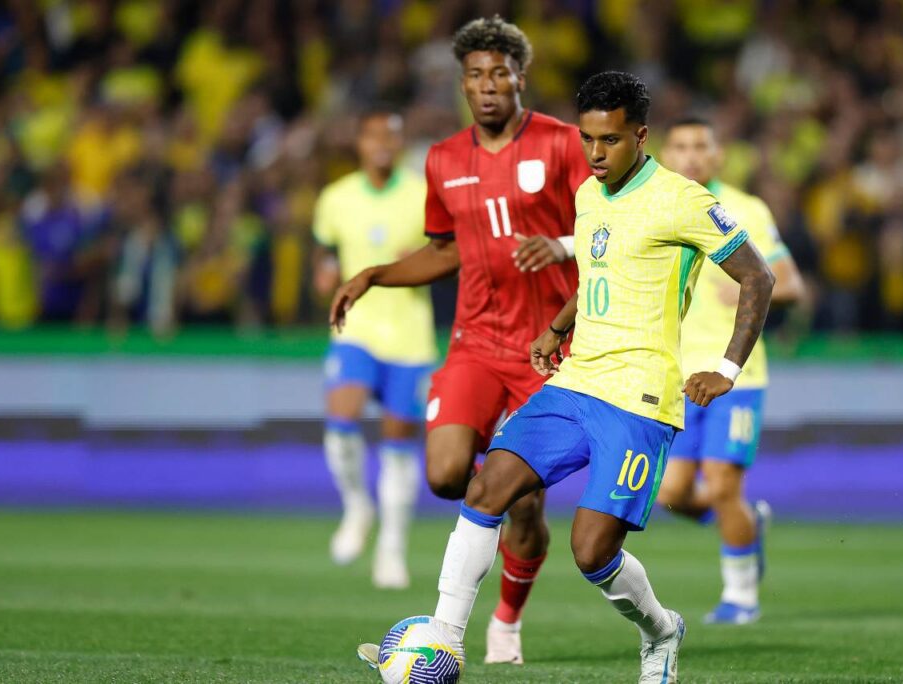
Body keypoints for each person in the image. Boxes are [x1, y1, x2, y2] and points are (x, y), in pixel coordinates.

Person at [359, 71, 776, 683]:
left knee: (591, 551)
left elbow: (758, 277)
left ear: (640, 134)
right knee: (485, 490)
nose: (595, 154)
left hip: (639, 395)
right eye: (587, 140)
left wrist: (727, 368)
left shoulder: (682, 200)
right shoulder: (587, 194)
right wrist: (558, 326)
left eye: (609, 141)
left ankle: (661, 631)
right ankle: (444, 641)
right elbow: (596, 273)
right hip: (576, 381)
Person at [330, 16, 590, 663]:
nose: (487, 85)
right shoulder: (444, 160)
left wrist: (562, 252)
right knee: (447, 473)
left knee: (525, 513)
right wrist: (375, 275)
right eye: (475, 74)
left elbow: (604, 231)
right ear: (462, 84)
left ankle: (506, 620)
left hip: (545, 353)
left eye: (499, 72)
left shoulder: (561, 145)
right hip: (475, 341)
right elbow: (445, 250)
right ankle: (494, 485)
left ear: (520, 78)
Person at [657, 117, 805, 624]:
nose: (692, 156)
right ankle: (748, 524)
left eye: (702, 146)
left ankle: (740, 595)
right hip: (674, 375)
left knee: (722, 486)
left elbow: (790, 284)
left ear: (718, 156)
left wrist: (746, 286)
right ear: (664, 153)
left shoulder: (746, 210)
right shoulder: (654, 204)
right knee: (672, 495)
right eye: (681, 146)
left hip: (735, 374)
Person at [313, 110, 435, 589]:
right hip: (356, 327)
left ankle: (392, 549)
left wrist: (421, 261)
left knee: (398, 441)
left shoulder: (424, 194)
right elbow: (323, 248)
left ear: (402, 143)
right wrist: (324, 272)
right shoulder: (336, 197)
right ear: (359, 142)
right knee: (341, 416)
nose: (383, 143)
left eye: (392, 136)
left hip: (408, 334)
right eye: (373, 135)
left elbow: (450, 255)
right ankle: (357, 505)